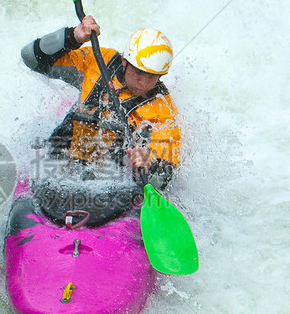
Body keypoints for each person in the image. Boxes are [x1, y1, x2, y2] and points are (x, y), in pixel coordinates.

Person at [21, 15, 181, 192]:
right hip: (60, 165)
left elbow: (165, 178)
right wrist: (72, 37)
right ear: (124, 61)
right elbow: (31, 58)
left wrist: (149, 164)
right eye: (138, 72)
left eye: (151, 77)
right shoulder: (99, 61)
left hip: (110, 186)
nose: (142, 83)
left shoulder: (163, 110)